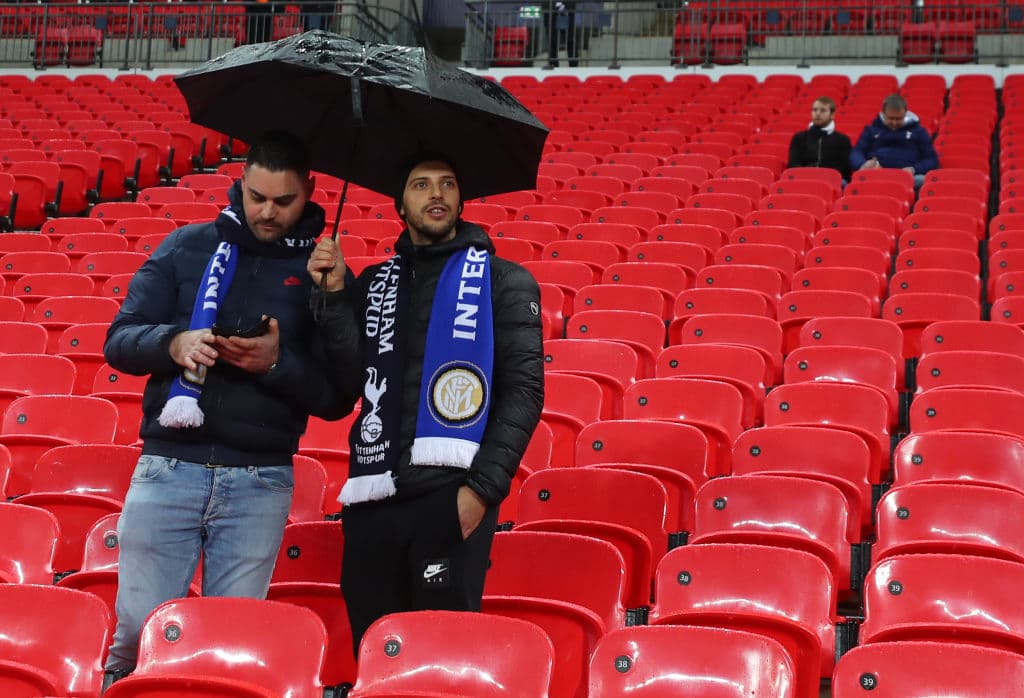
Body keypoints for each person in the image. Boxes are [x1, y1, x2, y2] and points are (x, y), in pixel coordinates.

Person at [102, 130, 350, 680]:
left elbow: (338, 397)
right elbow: (119, 340)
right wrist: (173, 344)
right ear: (241, 184)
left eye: (283, 201)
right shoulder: (185, 246)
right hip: (168, 465)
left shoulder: (324, 272)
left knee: (228, 647)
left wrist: (276, 363)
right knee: (137, 635)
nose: (267, 212)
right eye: (257, 197)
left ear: (310, 191)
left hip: (259, 478)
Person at [307, 154, 545, 651]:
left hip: (450, 497)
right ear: (400, 204)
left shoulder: (504, 281)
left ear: (460, 199)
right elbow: (350, 382)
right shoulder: (375, 284)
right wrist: (333, 297)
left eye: (447, 184)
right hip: (372, 497)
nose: (436, 194)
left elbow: (523, 393)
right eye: (421, 185)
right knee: (375, 652)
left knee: (441, 656)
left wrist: (479, 494)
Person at [850, 93, 940, 189]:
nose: (894, 122)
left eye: (899, 118)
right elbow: (856, 152)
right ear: (883, 114)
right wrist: (863, 164)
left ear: (905, 114)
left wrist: (914, 169)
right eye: (891, 118)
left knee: (923, 180)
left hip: (907, 177)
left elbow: (932, 159)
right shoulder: (871, 130)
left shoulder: (919, 132)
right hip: (876, 174)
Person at [787, 96, 853, 183]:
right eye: (815, 110)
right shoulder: (799, 138)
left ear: (832, 115)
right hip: (803, 178)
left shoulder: (843, 140)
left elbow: (844, 169)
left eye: (823, 110)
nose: (818, 113)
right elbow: (793, 164)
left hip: (831, 180)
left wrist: (822, 175)